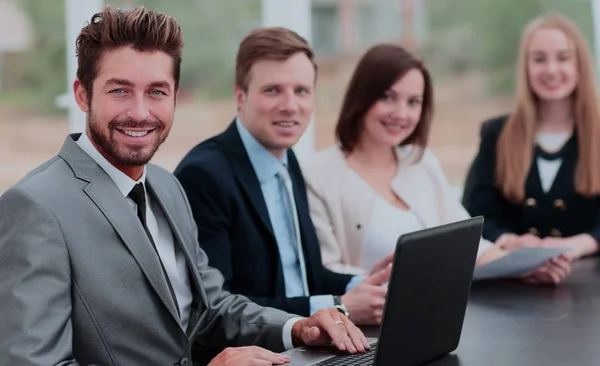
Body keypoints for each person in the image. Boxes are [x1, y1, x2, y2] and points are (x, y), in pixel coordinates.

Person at [0, 7, 370, 366]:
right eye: (120, 91)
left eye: (157, 92)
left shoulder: (166, 185)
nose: (140, 112)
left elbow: (210, 310)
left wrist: (297, 327)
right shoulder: (34, 208)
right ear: (82, 94)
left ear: (176, 96)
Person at [174, 27, 392, 327]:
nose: (290, 106)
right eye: (272, 90)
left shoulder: (288, 160)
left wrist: (364, 284)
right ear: (241, 96)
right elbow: (216, 309)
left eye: (301, 91)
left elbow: (302, 279)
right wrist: (340, 307)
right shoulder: (204, 176)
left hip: (310, 343)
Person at [302, 43, 571, 286]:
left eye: (413, 102)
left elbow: (469, 246)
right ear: (362, 96)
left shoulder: (421, 162)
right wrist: (368, 282)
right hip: (371, 325)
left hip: (442, 312)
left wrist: (526, 266)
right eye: (388, 97)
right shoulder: (318, 174)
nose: (401, 114)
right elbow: (324, 272)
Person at [462, 13, 600, 262]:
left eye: (563, 58)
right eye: (539, 59)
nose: (551, 70)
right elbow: (473, 213)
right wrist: (507, 240)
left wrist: (581, 243)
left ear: (580, 64)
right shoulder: (497, 134)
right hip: (513, 285)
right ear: (525, 67)